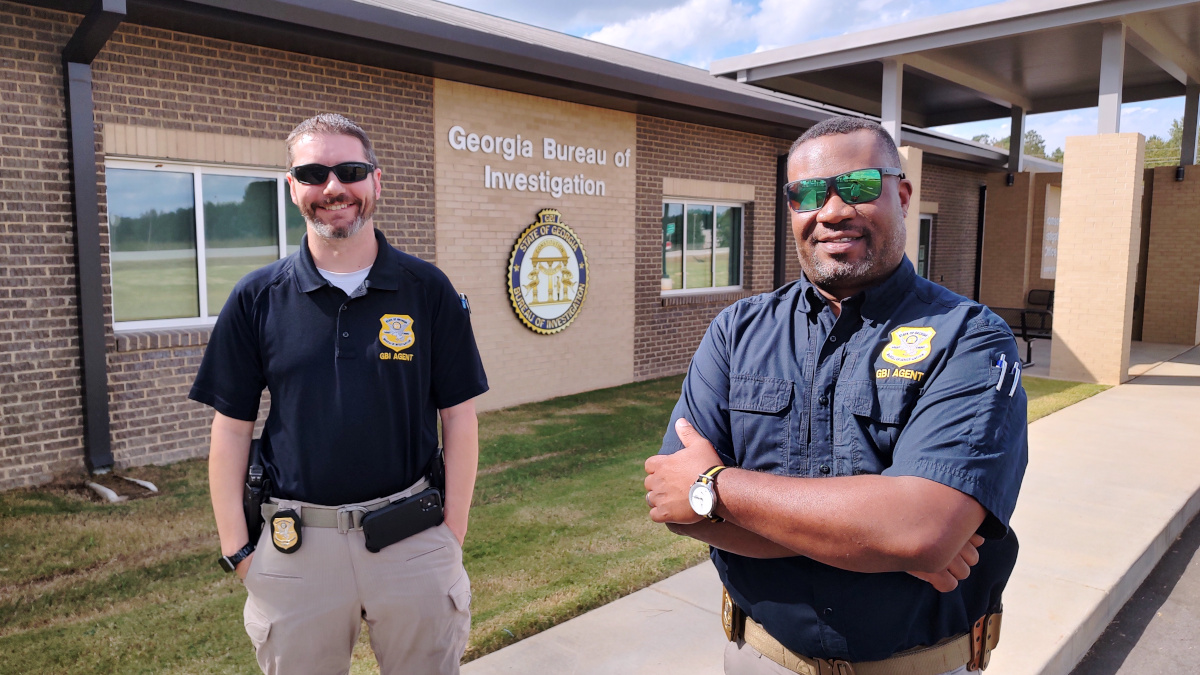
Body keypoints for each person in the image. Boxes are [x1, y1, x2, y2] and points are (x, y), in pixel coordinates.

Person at [644, 116, 1027, 675]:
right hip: (758, 657)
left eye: (858, 186)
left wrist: (714, 485)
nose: (831, 211)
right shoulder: (737, 331)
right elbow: (674, 504)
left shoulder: (968, 336)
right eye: (806, 195)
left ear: (901, 194)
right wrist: (881, 542)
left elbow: (923, 528)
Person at [190, 113, 488, 675]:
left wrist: (453, 530)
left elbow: (461, 416)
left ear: (376, 181)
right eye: (313, 173)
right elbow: (230, 429)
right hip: (297, 549)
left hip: (414, 540)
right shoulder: (257, 298)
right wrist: (239, 551)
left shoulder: (428, 290)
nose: (333, 188)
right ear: (292, 188)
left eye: (349, 170)